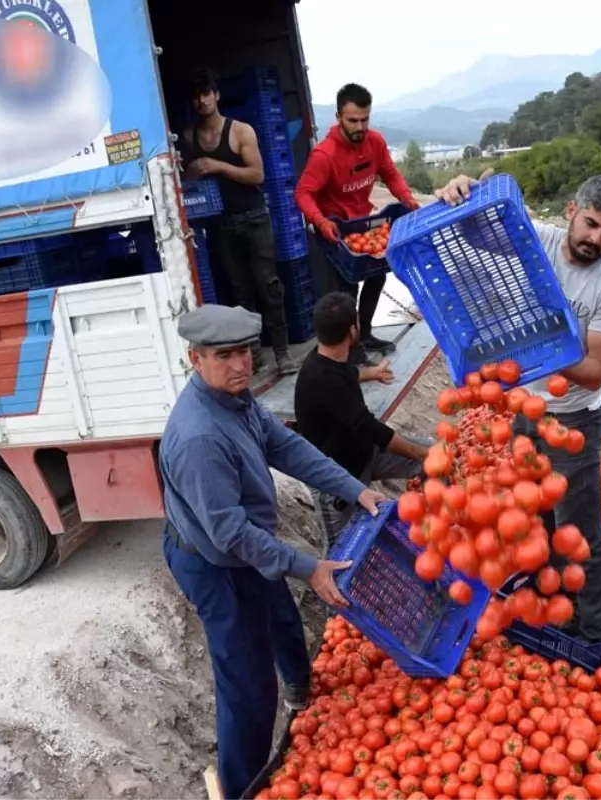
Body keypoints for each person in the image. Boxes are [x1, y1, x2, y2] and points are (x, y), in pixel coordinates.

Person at [159, 303, 385, 800]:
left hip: (240, 545)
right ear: (195, 359)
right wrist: (307, 566)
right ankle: (242, 786)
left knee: (283, 618)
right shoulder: (199, 436)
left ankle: (303, 693)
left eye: (244, 351)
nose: (241, 364)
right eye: (225, 355)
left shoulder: (236, 401)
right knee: (247, 686)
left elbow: (287, 447)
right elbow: (230, 536)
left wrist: (355, 488)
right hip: (213, 563)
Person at [435, 169, 601, 646]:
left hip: (576, 419)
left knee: (579, 529)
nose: (595, 239)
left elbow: (594, 372)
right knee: (540, 518)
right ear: (571, 210)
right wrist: (464, 191)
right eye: (590, 224)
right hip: (527, 410)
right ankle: (558, 607)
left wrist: (542, 345)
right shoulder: (536, 241)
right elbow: (473, 226)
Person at [181, 67, 298, 377]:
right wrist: (194, 171)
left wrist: (217, 165)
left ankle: (283, 354)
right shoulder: (189, 137)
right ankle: (254, 355)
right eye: (197, 96)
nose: (202, 100)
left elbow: (257, 175)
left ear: (216, 95)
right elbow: (185, 180)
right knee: (239, 292)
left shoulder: (240, 130)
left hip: (254, 217)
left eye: (207, 93)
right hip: (220, 224)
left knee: (268, 286)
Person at [294, 83, 420, 366]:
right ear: (339, 117)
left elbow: (389, 173)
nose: (359, 126)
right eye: (353, 120)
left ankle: (365, 333)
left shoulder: (375, 142)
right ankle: (351, 350)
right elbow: (302, 193)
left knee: (377, 275)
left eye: (364, 119)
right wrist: (320, 220)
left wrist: (407, 198)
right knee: (346, 290)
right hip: (336, 231)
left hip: (365, 224)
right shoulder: (324, 155)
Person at [294, 291, 431, 548]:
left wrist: (373, 373)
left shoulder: (326, 356)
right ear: (352, 331)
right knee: (340, 553)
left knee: (434, 456)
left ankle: (438, 525)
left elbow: (347, 374)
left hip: (365, 455)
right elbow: (371, 428)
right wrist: (419, 453)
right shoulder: (321, 380)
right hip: (335, 480)